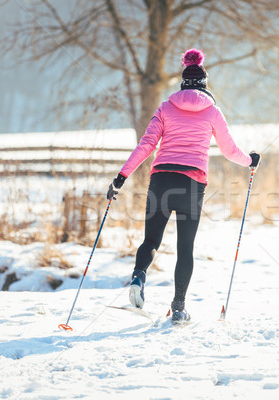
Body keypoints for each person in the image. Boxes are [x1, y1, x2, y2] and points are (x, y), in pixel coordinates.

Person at [107, 48, 261, 324]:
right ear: (204, 83)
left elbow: (146, 146)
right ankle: (178, 308)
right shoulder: (213, 112)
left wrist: (121, 176)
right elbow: (229, 150)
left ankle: (139, 276)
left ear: (182, 82)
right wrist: (250, 160)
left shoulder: (166, 107)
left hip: (161, 179)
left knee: (151, 241)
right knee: (185, 248)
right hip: (192, 183)